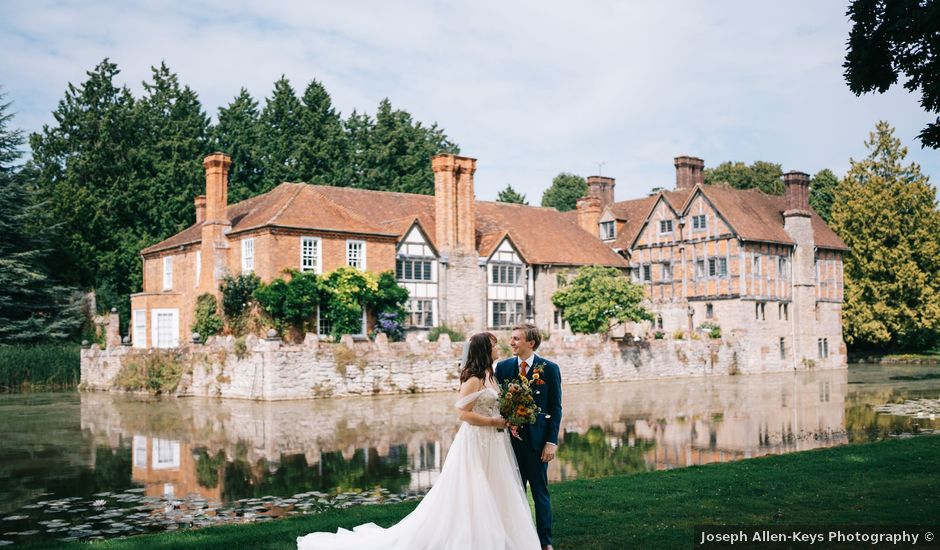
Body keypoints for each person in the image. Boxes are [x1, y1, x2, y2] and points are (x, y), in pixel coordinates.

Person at [296, 332, 541, 550]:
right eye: (494, 346)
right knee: (474, 489)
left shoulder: (491, 375)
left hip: (494, 442)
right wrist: (494, 423)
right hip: (477, 441)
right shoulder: (474, 378)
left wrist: (507, 416)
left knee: (495, 487)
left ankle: (498, 534)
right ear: (484, 351)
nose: (499, 349)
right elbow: (462, 414)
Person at [495, 323, 562, 550]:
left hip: (537, 444)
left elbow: (556, 407)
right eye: (511, 338)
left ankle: (545, 542)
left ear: (530, 343)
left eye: (516, 339)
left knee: (540, 494)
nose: (511, 342)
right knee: (514, 494)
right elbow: (496, 403)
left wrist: (551, 442)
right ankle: (516, 541)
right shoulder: (502, 368)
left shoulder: (549, 369)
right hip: (508, 443)